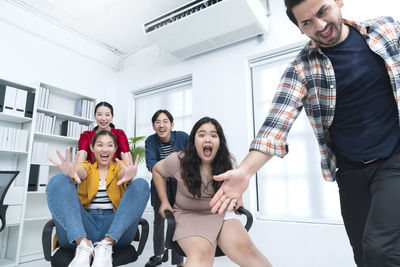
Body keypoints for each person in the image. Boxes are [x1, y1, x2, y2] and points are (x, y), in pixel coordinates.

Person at [210, 1, 400, 266]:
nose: (320, 26)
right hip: (350, 172)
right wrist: (244, 171)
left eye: (322, 11)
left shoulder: (386, 30)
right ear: (299, 28)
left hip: (393, 159)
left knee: (380, 248)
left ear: (338, 1)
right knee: (363, 254)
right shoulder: (301, 68)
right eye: (307, 22)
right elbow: (276, 124)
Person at [153, 117, 272, 267]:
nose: (207, 139)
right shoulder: (178, 160)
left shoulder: (229, 161)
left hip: (220, 213)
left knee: (246, 251)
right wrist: (164, 201)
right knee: (201, 256)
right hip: (188, 214)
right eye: (202, 135)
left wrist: (239, 197)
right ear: (193, 140)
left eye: (213, 136)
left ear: (219, 142)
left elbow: (235, 184)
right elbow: (157, 170)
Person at [47, 130, 149, 267]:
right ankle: (83, 246)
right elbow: (80, 171)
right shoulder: (87, 167)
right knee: (58, 180)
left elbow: (122, 172)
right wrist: (73, 171)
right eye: (100, 145)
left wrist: (128, 173)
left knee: (141, 184)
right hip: (82, 228)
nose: (105, 149)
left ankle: (106, 244)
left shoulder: (118, 168)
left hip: (115, 229)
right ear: (92, 148)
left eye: (110, 145)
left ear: (115, 149)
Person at [144, 110, 188, 267]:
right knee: (159, 220)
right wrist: (173, 166)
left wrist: (164, 167)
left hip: (180, 187)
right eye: (157, 122)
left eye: (165, 121)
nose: (161, 125)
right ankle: (158, 255)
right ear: (153, 126)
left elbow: (191, 160)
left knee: (178, 221)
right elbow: (151, 164)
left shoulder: (182, 137)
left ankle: (178, 261)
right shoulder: (150, 141)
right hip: (159, 185)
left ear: (172, 124)